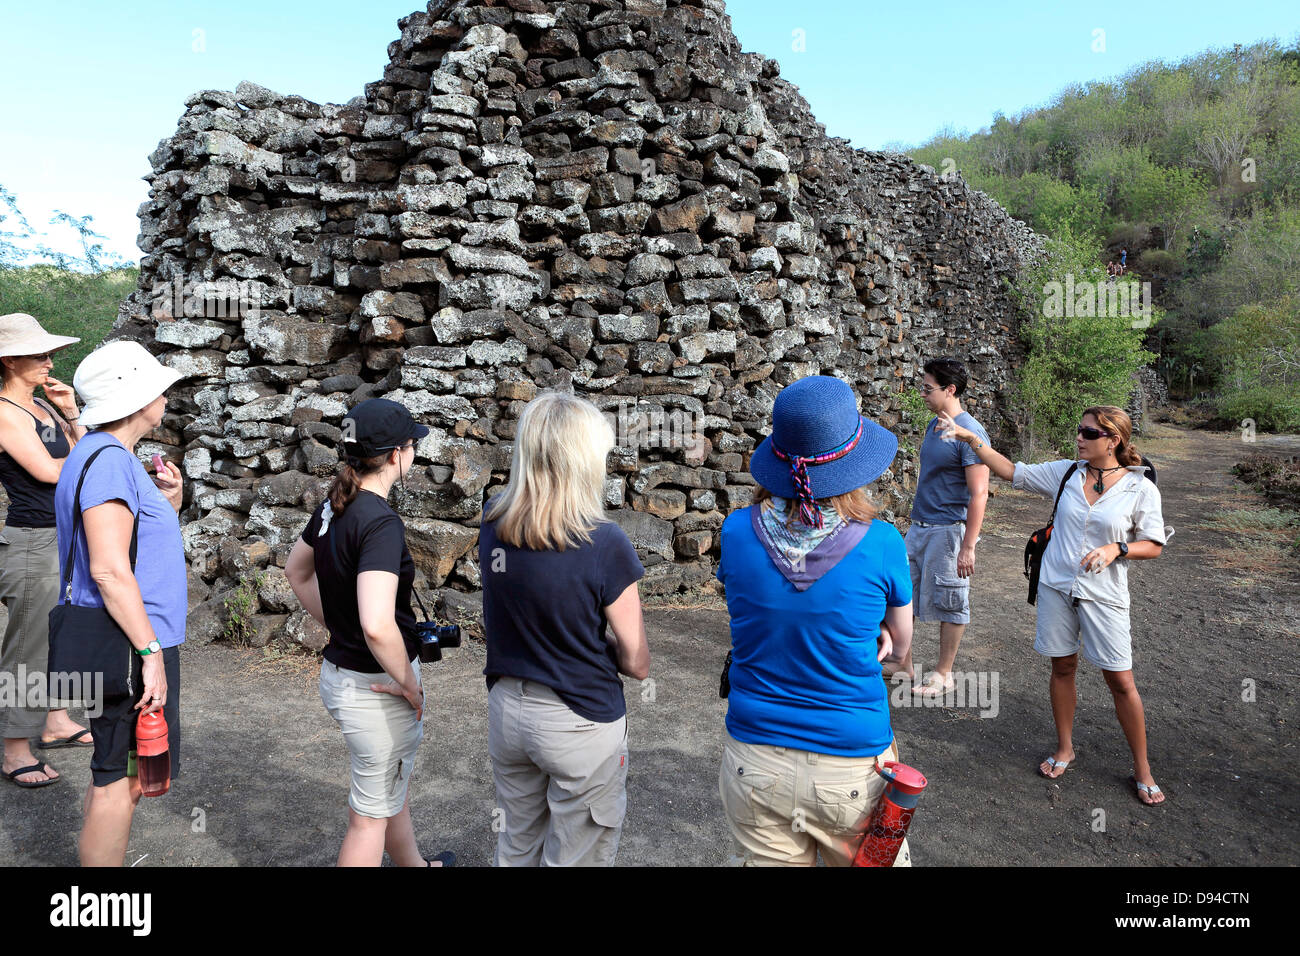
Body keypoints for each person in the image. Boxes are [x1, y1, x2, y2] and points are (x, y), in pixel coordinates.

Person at [716, 375, 915, 866]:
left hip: (756, 757)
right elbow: (903, 648)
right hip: (850, 765)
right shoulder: (883, 541)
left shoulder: (737, 531)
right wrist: (884, 634)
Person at [938, 405, 1172, 805]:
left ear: (1113, 441)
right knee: (1062, 666)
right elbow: (1011, 471)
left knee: (1121, 681)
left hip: (1104, 595)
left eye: (1090, 433)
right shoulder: (1067, 473)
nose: (1080, 437)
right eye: (1079, 429)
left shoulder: (1140, 488)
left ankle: (1142, 768)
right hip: (1056, 587)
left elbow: (1153, 544)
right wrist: (971, 440)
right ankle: (1065, 747)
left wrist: (1116, 549)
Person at [480, 391, 648, 867]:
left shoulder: (493, 522)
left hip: (507, 710)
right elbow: (637, 662)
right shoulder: (605, 542)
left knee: (516, 844)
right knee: (576, 855)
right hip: (579, 721)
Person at [286, 398, 455, 867]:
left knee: (382, 793)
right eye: (412, 444)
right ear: (399, 454)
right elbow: (378, 625)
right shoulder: (379, 522)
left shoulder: (335, 506)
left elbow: (296, 571)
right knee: (367, 818)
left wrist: (339, 628)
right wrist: (409, 684)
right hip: (376, 689)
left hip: (342, 675)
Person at [55, 340, 188, 865]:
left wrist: (165, 502)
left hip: (120, 638)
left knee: (115, 771)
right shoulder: (110, 461)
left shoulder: (103, 454)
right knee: (123, 780)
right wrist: (151, 652)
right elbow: (108, 569)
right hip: (128, 643)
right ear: (135, 399)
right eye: (159, 388)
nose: (166, 397)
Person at [0, 314, 91, 788]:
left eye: (49, 352)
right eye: (38, 353)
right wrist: (89, 452)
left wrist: (70, 409)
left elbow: (80, 449)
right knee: (27, 647)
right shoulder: (3, 412)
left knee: (62, 635)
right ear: (8, 360)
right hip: (33, 541)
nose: (49, 360)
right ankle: (15, 749)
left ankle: (55, 722)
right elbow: (53, 472)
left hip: (64, 536)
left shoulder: (42, 405)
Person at [892, 358, 989, 697]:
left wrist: (968, 546)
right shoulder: (935, 426)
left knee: (951, 599)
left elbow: (979, 494)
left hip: (948, 531)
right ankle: (902, 662)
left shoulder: (970, 432)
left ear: (950, 390)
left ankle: (943, 673)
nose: (923, 393)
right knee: (901, 595)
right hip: (919, 526)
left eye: (928, 388)